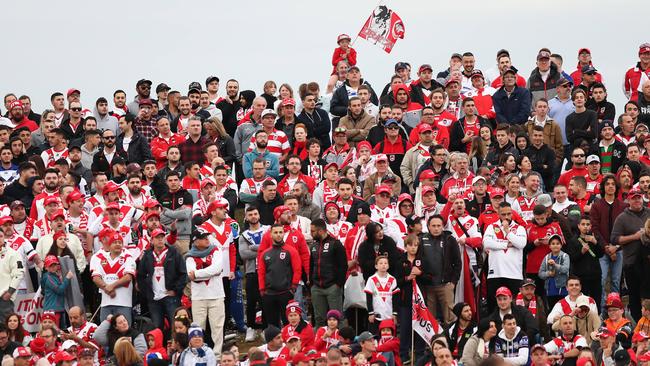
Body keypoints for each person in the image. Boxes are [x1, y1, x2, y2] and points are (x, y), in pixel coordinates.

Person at [611, 186, 650, 321]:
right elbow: (615, 239)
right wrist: (635, 236)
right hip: (632, 263)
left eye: (639, 197)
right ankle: (636, 324)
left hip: (648, 263)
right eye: (634, 198)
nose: (637, 201)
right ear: (628, 200)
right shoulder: (622, 218)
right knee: (634, 296)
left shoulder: (649, 213)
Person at [137, 228, 187, 332]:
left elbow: (183, 273)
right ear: (152, 240)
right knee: (157, 326)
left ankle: (176, 346)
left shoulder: (174, 253)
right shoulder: (147, 255)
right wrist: (147, 293)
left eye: (162, 237)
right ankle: (160, 347)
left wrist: (176, 290)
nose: (160, 240)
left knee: (176, 325)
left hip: (170, 297)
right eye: (157, 237)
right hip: (154, 299)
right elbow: (140, 275)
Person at [185, 230, 225, 357]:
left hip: (216, 294)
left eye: (207, 236)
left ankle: (217, 355)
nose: (207, 239)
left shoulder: (216, 251)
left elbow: (217, 268)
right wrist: (211, 272)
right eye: (203, 238)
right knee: (198, 328)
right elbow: (190, 274)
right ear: (195, 241)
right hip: (198, 297)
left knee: (217, 328)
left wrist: (197, 274)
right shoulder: (190, 256)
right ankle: (199, 354)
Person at [483, 202, 527, 312]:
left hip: (514, 274)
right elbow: (486, 243)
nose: (506, 217)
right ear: (498, 213)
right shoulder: (491, 227)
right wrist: (506, 244)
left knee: (514, 308)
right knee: (493, 307)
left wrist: (507, 231)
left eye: (509, 214)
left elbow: (521, 244)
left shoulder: (519, 228)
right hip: (495, 274)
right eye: (503, 214)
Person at [419, 215, 461, 324]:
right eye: (433, 226)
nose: (436, 228)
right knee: (430, 319)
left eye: (439, 226)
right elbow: (417, 260)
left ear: (443, 226)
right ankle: (432, 341)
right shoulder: (421, 239)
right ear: (428, 226)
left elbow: (457, 262)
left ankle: (450, 340)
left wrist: (453, 282)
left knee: (450, 318)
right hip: (428, 286)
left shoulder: (449, 239)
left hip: (445, 285)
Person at [258, 224, 302, 328]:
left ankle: (289, 342)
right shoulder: (265, 253)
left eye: (280, 232)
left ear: (283, 234)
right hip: (269, 294)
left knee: (288, 322)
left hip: (285, 293)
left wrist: (294, 286)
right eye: (275, 232)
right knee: (272, 324)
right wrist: (262, 289)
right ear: (270, 234)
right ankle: (274, 342)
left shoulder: (291, 251)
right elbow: (261, 272)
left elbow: (297, 269)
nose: (278, 235)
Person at [309, 219, 347, 327]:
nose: (311, 233)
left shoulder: (336, 244)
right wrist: (312, 284)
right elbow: (311, 266)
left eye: (313, 231)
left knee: (337, 318)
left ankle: (341, 341)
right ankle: (320, 342)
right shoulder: (314, 246)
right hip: (317, 287)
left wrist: (338, 284)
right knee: (319, 319)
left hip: (332, 287)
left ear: (321, 231)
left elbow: (343, 265)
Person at [41, 254, 74, 328]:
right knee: (54, 331)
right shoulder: (48, 277)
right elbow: (59, 290)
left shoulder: (53, 276)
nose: (53, 267)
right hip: (52, 310)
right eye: (50, 265)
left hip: (57, 308)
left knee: (59, 331)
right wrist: (67, 278)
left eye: (54, 265)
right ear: (46, 267)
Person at [538, 234, 570, 309]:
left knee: (563, 309)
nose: (555, 245)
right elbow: (540, 273)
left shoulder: (565, 256)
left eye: (558, 243)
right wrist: (548, 273)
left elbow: (565, 269)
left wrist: (555, 264)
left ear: (561, 245)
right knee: (552, 310)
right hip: (550, 289)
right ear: (549, 246)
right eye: (553, 244)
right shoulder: (546, 257)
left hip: (562, 289)